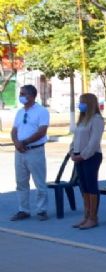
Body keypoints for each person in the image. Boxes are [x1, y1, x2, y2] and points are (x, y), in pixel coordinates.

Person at [10, 85, 50, 221]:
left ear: (32, 96)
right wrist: (17, 143)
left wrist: (25, 142)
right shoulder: (20, 112)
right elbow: (14, 130)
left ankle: (42, 210)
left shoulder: (41, 111)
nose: (20, 96)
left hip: (34, 151)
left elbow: (42, 132)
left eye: (23, 94)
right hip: (20, 151)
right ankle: (23, 210)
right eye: (20, 93)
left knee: (39, 182)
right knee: (21, 182)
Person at [69, 93, 104, 229]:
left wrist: (83, 155)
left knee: (91, 185)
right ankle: (86, 215)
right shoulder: (82, 120)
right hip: (79, 156)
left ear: (90, 104)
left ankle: (93, 218)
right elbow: (75, 139)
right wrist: (72, 152)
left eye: (83, 102)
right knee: (83, 186)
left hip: (91, 157)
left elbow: (94, 141)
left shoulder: (96, 119)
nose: (80, 105)